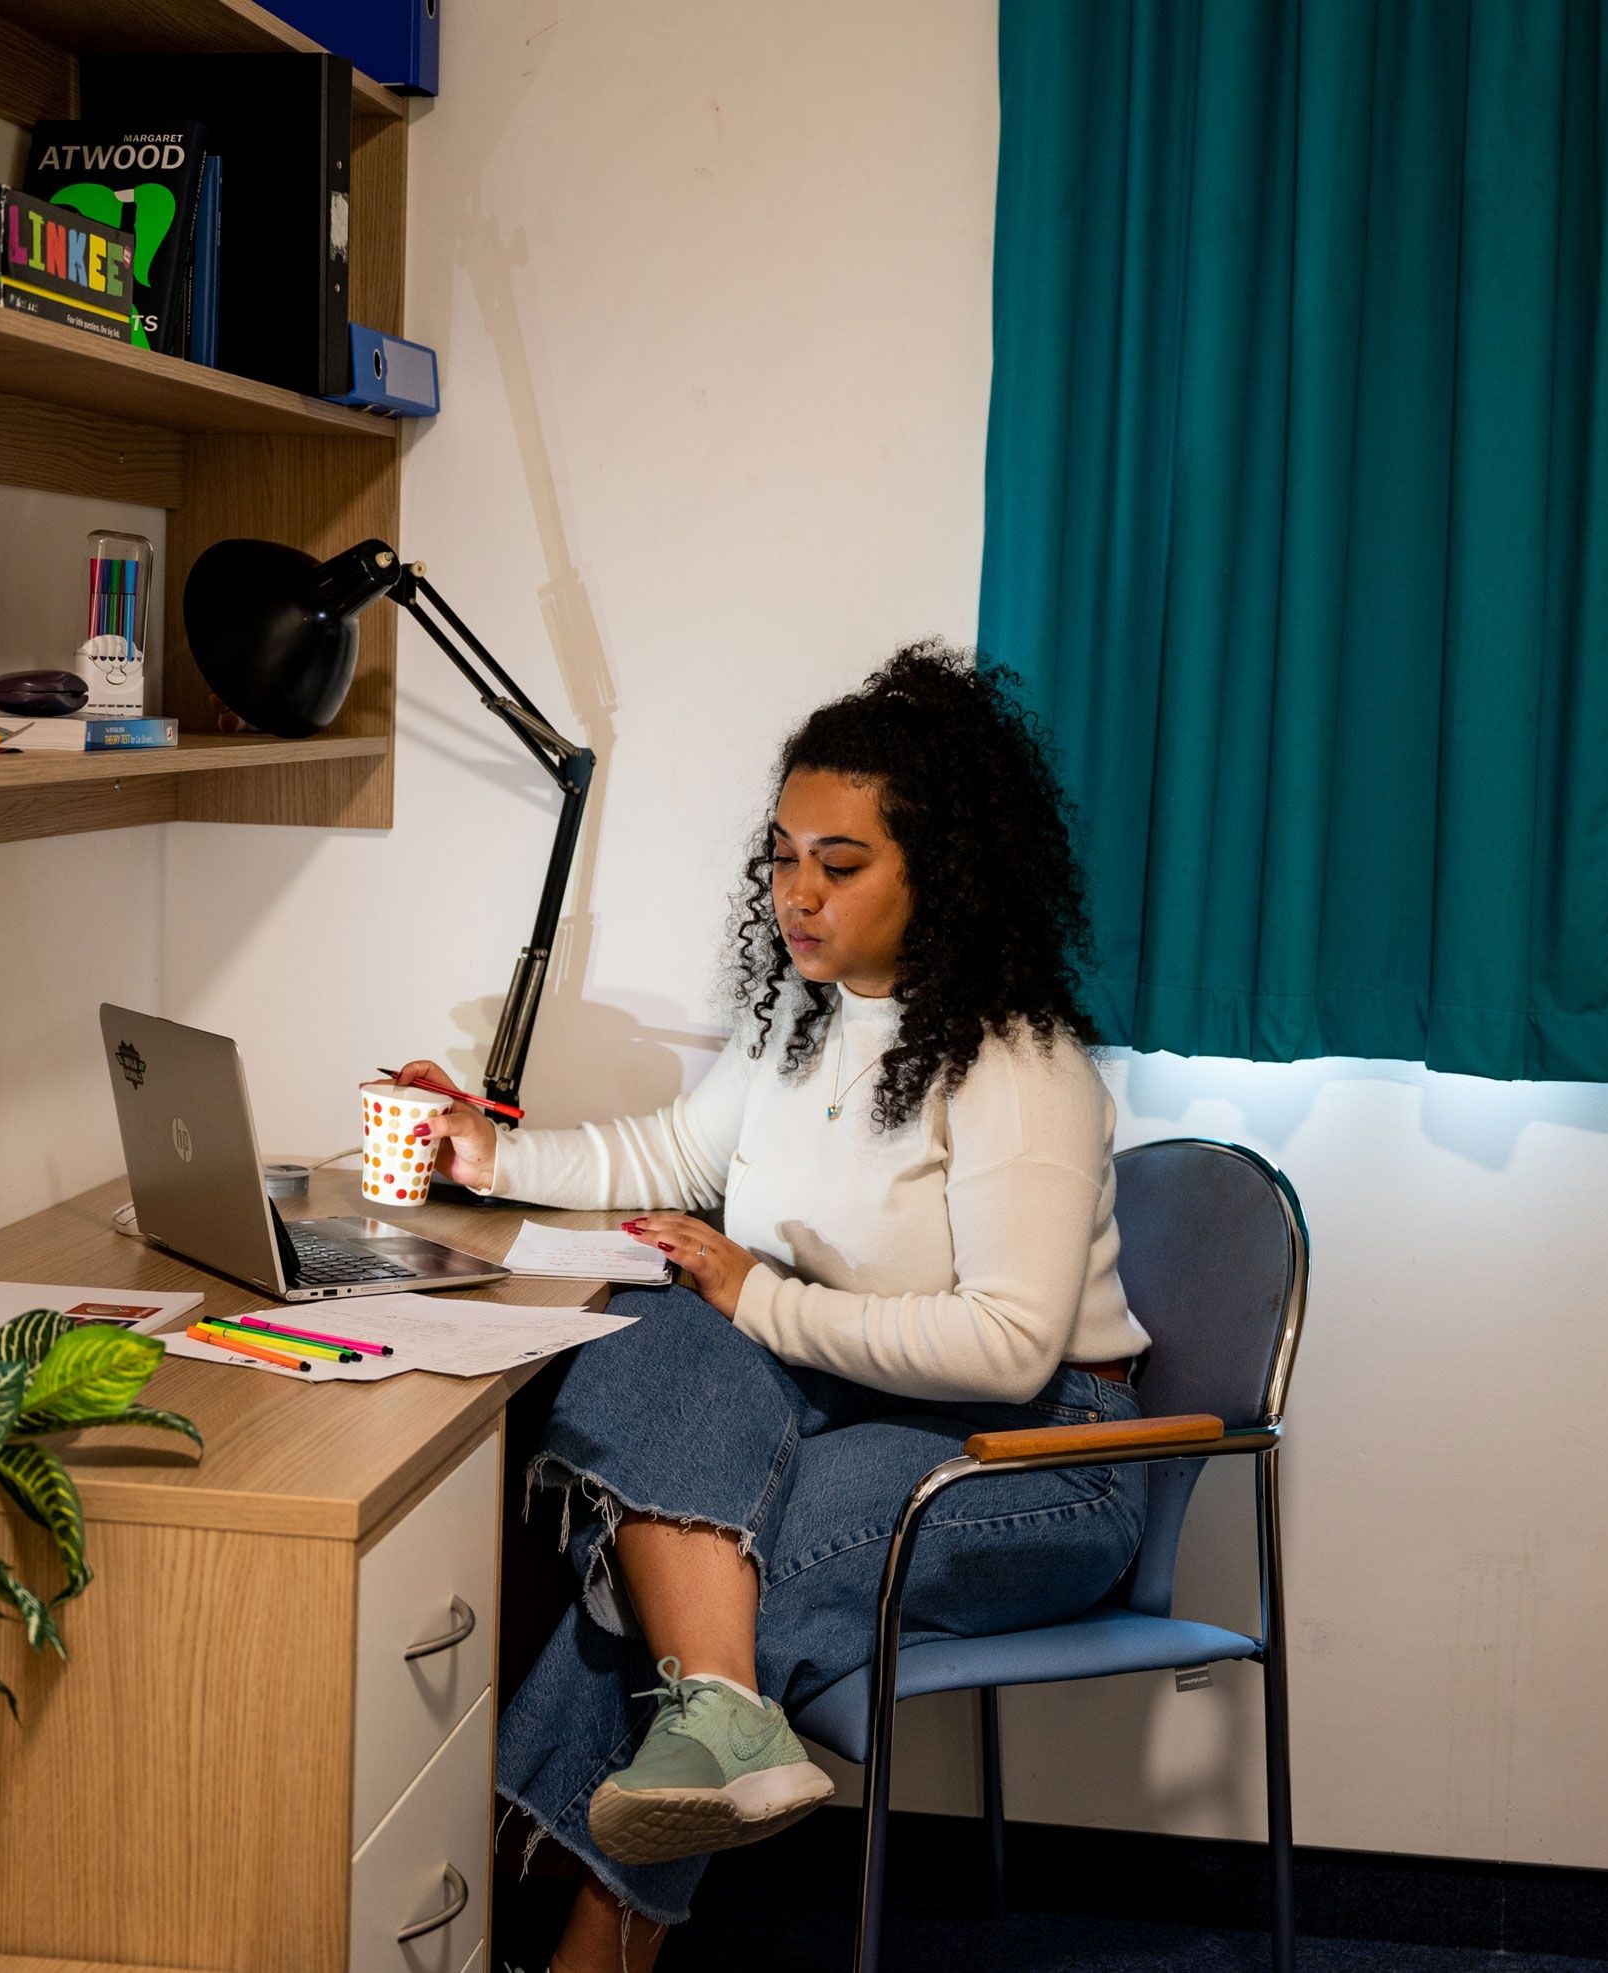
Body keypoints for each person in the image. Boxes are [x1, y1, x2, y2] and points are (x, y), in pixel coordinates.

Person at [393, 643, 1152, 1973]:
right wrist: (487, 1152)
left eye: (840, 863)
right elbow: (667, 1160)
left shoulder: (1020, 1066)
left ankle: (603, 1927)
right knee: (665, 1339)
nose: (798, 892)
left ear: (942, 869)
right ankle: (715, 1732)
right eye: (783, 855)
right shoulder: (809, 1025)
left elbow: (1009, 1343)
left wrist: (766, 1296)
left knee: (673, 1570)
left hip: (1044, 1455)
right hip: (871, 1411)